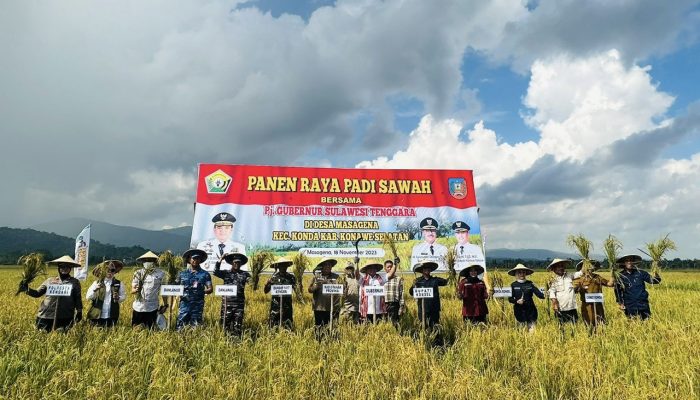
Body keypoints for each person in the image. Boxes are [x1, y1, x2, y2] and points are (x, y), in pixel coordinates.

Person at [19, 255, 83, 332]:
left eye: (67, 267)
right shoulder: (50, 280)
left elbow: (77, 298)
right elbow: (37, 293)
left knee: (62, 337)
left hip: (65, 316)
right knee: (42, 336)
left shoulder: (74, 282)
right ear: (59, 268)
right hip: (46, 315)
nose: (64, 269)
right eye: (62, 267)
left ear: (70, 268)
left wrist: (79, 311)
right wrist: (26, 289)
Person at [614, 254, 661, 320]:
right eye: (627, 261)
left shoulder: (641, 273)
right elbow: (617, 290)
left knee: (647, 323)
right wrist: (620, 303)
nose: (629, 262)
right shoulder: (620, 276)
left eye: (631, 260)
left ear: (634, 262)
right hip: (630, 304)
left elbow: (655, 281)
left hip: (643, 303)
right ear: (624, 263)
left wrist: (656, 269)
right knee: (632, 324)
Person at [214, 252, 250, 336]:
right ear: (231, 263)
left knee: (237, 326)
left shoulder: (245, 274)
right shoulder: (226, 273)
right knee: (224, 325)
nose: (237, 264)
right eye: (235, 262)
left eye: (238, 262)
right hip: (227, 304)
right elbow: (215, 272)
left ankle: (236, 343)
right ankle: (224, 342)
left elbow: (251, 281)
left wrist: (254, 280)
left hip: (239, 305)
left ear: (241, 264)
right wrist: (220, 260)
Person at [176, 249, 213, 330]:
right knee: (180, 325)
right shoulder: (182, 273)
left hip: (197, 305)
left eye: (198, 258)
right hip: (184, 304)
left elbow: (210, 289)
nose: (195, 260)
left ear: (200, 260)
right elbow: (175, 286)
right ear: (189, 259)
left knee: (196, 326)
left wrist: (201, 291)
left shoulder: (205, 274)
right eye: (194, 258)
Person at [131, 251, 168, 329]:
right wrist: (137, 290)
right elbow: (132, 290)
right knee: (136, 328)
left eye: (150, 260)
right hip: (138, 306)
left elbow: (163, 291)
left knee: (151, 329)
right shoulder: (138, 273)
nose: (148, 262)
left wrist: (165, 305)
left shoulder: (160, 274)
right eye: (146, 260)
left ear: (155, 261)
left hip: (152, 307)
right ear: (142, 262)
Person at [86, 260, 127, 327]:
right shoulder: (96, 283)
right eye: (108, 269)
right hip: (97, 315)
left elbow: (123, 296)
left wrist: (118, 298)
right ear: (103, 271)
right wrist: (95, 289)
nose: (110, 272)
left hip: (111, 315)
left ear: (115, 271)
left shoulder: (119, 283)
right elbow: (88, 297)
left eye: (112, 270)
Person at [573, 260, 614, 326]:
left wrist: (613, 272)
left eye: (592, 264)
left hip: (598, 304)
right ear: (583, 267)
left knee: (601, 323)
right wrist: (580, 287)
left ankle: (601, 335)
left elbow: (610, 284)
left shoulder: (598, 277)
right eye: (588, 265)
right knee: (589, 324)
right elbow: (574, 290)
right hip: (587, 305)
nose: (590, 266)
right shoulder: (580, 278)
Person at [409, 261, 448, 329]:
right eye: (425, 268)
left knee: (435, 326)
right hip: (423, 308)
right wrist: (413, 285)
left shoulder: (435, 280)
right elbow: (412, 293)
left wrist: (451, 271)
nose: (427, 270)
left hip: (434, 308)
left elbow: (446, 282)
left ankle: (436, 339)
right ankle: (425, 338)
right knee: (423, 326)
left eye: (428, 268)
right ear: (422, 270)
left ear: (430, 270)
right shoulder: (418, 281)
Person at [508, 264, 544, 332]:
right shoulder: (513, 285)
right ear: (516, 274)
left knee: (532, 332)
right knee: (521, 331)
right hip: (519, 311)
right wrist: (517, 301)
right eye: (519, 272)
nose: (522, 274)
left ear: (526, 273)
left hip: (531, 311)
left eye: (523, 272)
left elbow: (540, 295)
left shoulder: (530, 284)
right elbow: (510, 299)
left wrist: (548, 293)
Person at [264, 256, 296, 330]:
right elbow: (266, 291)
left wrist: (299, 286)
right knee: (273, 326)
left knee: (288, 326)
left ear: (287, 266)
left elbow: (297, 290)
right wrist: (267, 284)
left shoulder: (291, 277)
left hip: (287, 306)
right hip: (275, 307)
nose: (283, 267)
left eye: (285, 265)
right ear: (278, 266)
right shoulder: (273, 278)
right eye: (281, 265)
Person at [547, 259, 583, 324]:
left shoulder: (569, 275)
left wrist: (586, 264)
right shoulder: (553, 280)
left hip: (572, 307)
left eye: (562, 266)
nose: (561, 268)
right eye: (558, 266)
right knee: (562, 328)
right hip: (561, 308)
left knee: (574, 327)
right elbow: (552, 293)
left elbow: (580, 273)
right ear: (554, 269)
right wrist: (554, 304)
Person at [308, 257, 340, 329]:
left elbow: (342, 289)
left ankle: (333, 340)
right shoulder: (316, 277)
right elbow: (310, 290)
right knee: (319, 328)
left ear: (332, 267)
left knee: (333, 328)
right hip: (319, 308)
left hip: (333, 308)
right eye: (326, 264)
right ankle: (318, 340)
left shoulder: (337, 277)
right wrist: (316, 286)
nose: (328, 266)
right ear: (322, 266)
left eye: (330, 265)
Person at [382, 259, 404, 326]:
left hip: (394, 304)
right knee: (384, 323)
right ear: (385, 268)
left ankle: (396, 335)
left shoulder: (398, 279)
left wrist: (402, 306)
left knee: (395, 323)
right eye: (388, 267)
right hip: (384, 304)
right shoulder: (382, 279)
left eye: (391, 266)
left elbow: (401, 293)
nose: (390, 268)